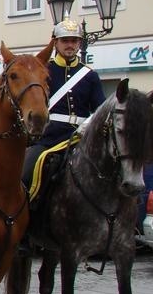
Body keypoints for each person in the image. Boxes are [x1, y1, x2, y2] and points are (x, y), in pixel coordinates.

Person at [20, 16, 105, 251]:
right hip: (48, 138)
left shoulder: (89, 75)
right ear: (55, 43)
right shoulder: (43, 71)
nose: (70, 45)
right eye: (65, 40)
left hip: (81, 138)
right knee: (26, 175)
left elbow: (99, 108)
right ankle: (24, 230)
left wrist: (89, 125)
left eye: (75, 41)